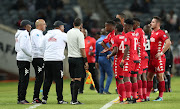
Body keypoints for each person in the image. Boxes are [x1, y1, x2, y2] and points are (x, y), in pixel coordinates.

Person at [40, 21, 68, 104]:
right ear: (60, 27)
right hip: (57, 60)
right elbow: (71, 41)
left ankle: (44, 98)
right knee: (59, 80)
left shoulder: (47, 35)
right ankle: (60, 99)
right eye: (63, 26)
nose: (64, 28)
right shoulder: (62, 35)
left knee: (47, 79)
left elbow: (42, 47)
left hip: (47, 59)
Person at [146, 16, 171, 101]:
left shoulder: (161, 33)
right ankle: (147, 96)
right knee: (149, 77)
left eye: (153, 22)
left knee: (160, 77)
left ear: (158, 24)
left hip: (159, 59)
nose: (151, 23)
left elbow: (168, 42)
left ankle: (160, 97)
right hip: (152, 58)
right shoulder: (152, 32)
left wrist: (161, 52)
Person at [67, 18, 89, 105]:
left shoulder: (68, 32)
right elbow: (82, 49)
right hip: (77, 58)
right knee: (78, 79)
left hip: (70, 58)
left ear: (73, 24)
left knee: (73, 79)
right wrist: (85, 61)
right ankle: (74, 100)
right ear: (81, 25)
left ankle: (73, 99)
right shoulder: (79, 34)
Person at [120, 19, 140, 103]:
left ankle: (128, 98)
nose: (123, 27)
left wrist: (123, 59)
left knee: (126, 78)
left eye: (124, 26)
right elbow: (138, 48)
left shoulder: (127, 35)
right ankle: (135, 97)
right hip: (136, 59)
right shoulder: (135, 35)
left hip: (130, 59)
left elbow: (127, 48)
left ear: (128, 26)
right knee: (134, 78)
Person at [106, 24, 126, 103]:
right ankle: (125, 96)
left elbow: (116, 51)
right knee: (125, 78)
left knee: (119, 79)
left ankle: (121, 99)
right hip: (125, 59)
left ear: (116, 30)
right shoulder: (125, 37)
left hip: (118, 60)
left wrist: (109, 55)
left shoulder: (115, 38)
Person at [15, 20, 32, 104]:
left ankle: (20, 98)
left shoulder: (17, 34)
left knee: (22, 79)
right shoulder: (24, 33)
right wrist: (30, 55)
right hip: (24, 59)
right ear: (25, 26)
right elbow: (23, 47)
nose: (31, 27)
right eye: (29, 25)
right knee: (24, 79)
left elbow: (16, 48)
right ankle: (22, 98)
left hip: (19, 57)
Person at [30, 19, 47, 103]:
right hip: (38, 57)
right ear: (39, 25)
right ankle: (35, 97)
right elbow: (39, 45)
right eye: (44, 24)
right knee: (39, 77)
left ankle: (37, 96)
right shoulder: (36, 33)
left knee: (40, 77)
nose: (45, 26)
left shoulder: (38, 33)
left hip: (39, 57)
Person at [133, 18, 149, 102]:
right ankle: (145, 96)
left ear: (136, 23)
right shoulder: (142, 31)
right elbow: (144, 42)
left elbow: (135, 43)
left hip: (140, 56)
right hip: (144, 55)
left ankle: (140, 97)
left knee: (138, 76)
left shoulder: (137, 31)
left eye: (133, 24)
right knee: (143, 76)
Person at [81, 28, 99, 93]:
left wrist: (93, 52)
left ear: (86, 33)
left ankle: (98, 89)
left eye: (84, 32)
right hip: (82, 61)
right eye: (82, 32)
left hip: (91, 61)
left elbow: (96, 49)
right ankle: (80, 90)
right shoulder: (80, 40)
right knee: (82, 76)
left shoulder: (92, 40)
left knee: (94, 76)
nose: (83, 34)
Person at [96, 28, 113, 94]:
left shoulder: (97, 41)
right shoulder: (107, 40)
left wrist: (96, 61)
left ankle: (101, 90)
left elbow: (96, 52)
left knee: (102, 75)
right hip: (106, 58)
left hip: (100, 58)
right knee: (110, 75)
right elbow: (108, 51)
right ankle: (106, 90)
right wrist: (113, 59)